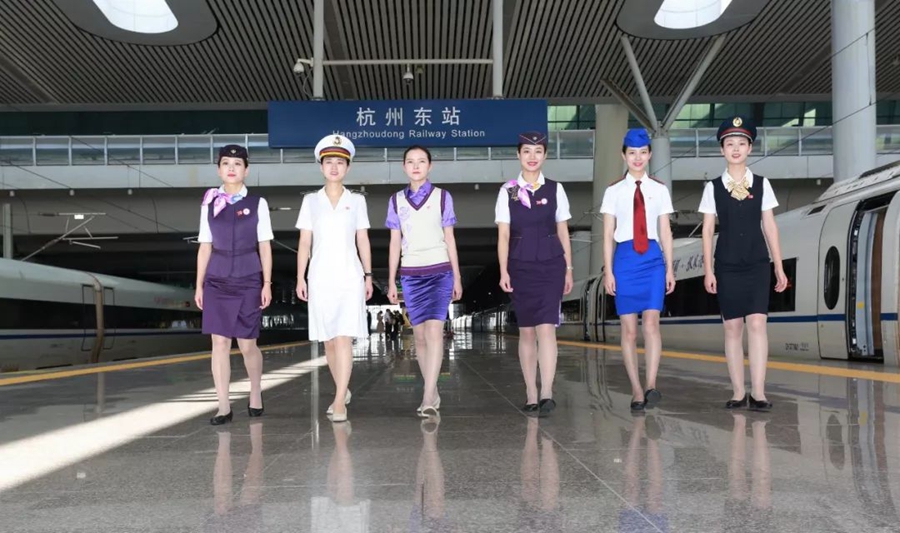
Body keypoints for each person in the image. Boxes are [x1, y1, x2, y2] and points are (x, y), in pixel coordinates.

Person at [700, 116, 787, 411]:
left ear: (750, 148)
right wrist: (708, 270)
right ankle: (738, 392)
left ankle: (759, 393)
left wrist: (778, 265)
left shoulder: (762, 184)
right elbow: (708, 230)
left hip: (757, 262)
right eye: (729, 144)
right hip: (726, 264)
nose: (735, 149)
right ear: (722, 150)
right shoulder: (713, 187)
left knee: (758, 323)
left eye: (741, 143)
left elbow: (770, 226)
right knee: (733, 327)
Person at [495, 131, 574, 417]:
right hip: (520, 265)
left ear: (545, 155)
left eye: (538, 151)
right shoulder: (508, 191)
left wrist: (568, 268)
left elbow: (563, 230)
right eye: (526, 151)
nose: (532, 157)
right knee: (527, 331)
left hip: (552, 264)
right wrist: (503, 270)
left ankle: (547, 392)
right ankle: (530, 392)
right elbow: (504, 235)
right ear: (518, 155)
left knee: (547, 327)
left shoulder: (555, 189)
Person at [296, 135, 374, 423]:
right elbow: (305, 242)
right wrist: (300, 277)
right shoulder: (310, 201)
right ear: (321, 167)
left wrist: (368, 276)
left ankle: (339, 399)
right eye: (328, 162)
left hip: (349, 276)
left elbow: (362, 240)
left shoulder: (357, 201)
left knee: (343, 336)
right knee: (328, 339)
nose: (334, 167)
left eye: (340, 163)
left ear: (347, 168)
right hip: (320, 276)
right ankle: (342, 387)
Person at [195, 144, 272, 426]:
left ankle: (255, 391)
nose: (231, 168)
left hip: (249, 278)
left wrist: (267, 283)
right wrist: (199, 285)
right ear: (218, 170)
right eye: (226, 163)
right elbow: (205, 245)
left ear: (246, 171)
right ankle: (223, 407)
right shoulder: (209, 203)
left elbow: (265, 246)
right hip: (216, 279)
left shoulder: (258, 203)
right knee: (219, 342)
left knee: (247, 344)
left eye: (237, 164)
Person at [600, 129, 676, 412]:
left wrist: (669, 268)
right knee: (630, 331)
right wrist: (609, 271)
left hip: (653, 259)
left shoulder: (659, 189)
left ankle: (651, 384)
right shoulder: (613, 191)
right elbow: (607, 235)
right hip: (625, 259)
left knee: (652, 323)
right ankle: (635, 389)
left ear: (650, 154)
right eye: (632, 153)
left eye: (643, 152)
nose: (638, 158)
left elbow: (665, 232)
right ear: (623, 156)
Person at [385, 145, 462, 417]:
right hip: (411, 275)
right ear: (404, 166)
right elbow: (395, 243)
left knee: (434, 332)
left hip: (440, 271)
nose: (416, 166)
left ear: (430, 166)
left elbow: (450, 238)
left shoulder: (442, 197)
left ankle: (428, 395)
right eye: (410, 161)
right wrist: (391, 280)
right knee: (418, 335)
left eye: (421, 161)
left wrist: (457, 276)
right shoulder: (396, 201)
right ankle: (432, 390)